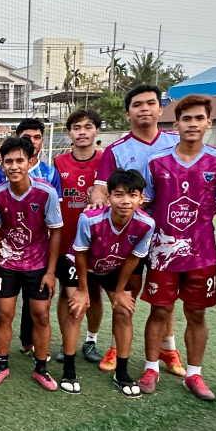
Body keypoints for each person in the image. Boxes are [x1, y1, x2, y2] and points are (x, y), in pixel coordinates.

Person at [139, 95, 216, 400]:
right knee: (160, 310)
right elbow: (147, 204)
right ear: (175, 124)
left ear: (209, 123)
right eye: (186, 119)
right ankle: (151, 367)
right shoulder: (156, 162)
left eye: (198, 118)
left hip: (201, 252)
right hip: (162, 252)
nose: (192, 124)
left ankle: (194, 375)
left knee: (196, 313)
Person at [88, 85, 182, 376]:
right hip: (131, 234)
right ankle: (117, 347)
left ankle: (168, 348)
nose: (144, 108)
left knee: (165, 296)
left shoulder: (177, 142)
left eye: (150, 103)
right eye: (137, 104)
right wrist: (97, 210)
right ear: (128, 112)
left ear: (160, 109)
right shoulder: (117, 150)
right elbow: (101, 190)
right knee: (128, 292)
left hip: (171, 233)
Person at [0, 136, 63, 390]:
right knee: (3, 316)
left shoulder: (46, 192)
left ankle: (41, 368)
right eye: (8, 161)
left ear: (30, 162)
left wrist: (51, 272)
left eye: (20, 160)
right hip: (7, 266)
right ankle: (2, 364)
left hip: (38, 266)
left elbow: (55, 232)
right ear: (2, 164)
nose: (14, 166)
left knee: (40, 316)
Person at [71, 169, 155, 397]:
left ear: (141, 198)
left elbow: (133, 258)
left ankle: (122, 372)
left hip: (114, 267)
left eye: (132, 195)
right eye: (119, 194)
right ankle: (69, 370)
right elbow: (80, 253)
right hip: (86, 264)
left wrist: (120, 291)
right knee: (76, 307)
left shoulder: (146, 224)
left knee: (124, 311)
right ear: (108, 197)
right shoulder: (89, 219)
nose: (125, 201)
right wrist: (82, 288)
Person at [48, 110, 105, 369]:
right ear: (69, 133)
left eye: (88, 126)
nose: (82, 131)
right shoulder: (58, 163)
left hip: (99, 242)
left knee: (94, 292)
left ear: (96, 131)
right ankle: (66, 341)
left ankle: (90, 340)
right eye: (77, 127)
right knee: (66, 292)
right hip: (66, 242)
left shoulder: (107, 160)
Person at [0, 119, 63, 197]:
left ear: (42, 141)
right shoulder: (1, 171)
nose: (32, 141)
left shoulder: (50, 172)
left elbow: (55, 205)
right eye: (27, 137)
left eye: (37, 137)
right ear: (18, 139)